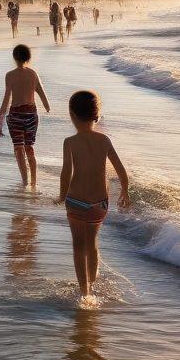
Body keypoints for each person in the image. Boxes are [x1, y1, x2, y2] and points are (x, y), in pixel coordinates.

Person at [56, 90, 131, 298]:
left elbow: (66, 173)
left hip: (75, 202)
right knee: (92, 244)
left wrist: (62, 196)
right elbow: (121, 171)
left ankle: (85, 292)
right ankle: (92, 281)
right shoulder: (104, 140)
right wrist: (124, 190)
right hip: (100, 204)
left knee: (78, 247)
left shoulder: (70, 142)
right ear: (96, 115)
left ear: (71, 114)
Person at [0, 43, 50, 188]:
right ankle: (34, 182)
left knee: (18, 148)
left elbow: (6, 100)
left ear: (14, 57)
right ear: (28, 57)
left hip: (16, 115)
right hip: (31, 114)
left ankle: (25, 182)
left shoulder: (10, 75)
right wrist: (47, 107)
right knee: (29, 148)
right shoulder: (33, 73)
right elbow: (41, 93)